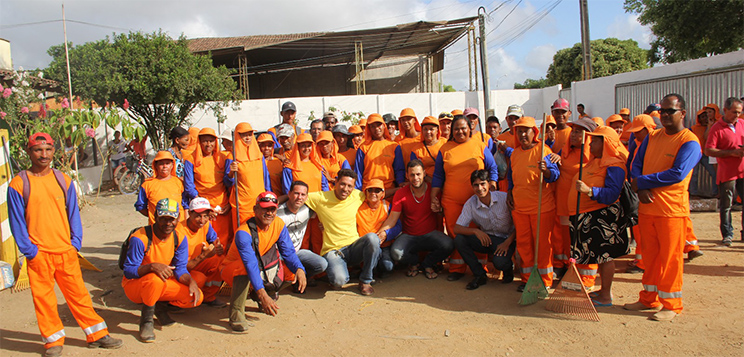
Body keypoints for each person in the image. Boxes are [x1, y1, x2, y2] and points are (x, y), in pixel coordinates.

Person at [8, 132, 123, 356]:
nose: (44, 154)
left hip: (65, 251)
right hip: (39, 253)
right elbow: (17, 221)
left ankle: (97, 335)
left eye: (48, 149)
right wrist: (29, 250)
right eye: (38, 150)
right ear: (28, 152)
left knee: (78, 294)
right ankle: (53, 341)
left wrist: (75, 243)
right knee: (44, 299)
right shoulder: (19, 183)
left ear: (54, 151)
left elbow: (73, 215)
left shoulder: (63, 180)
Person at [625, 93, 701, 321]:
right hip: (648, 209)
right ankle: (649, 298)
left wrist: (643, 183)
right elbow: (636, 164)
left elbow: (677, 173)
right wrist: (640, 186)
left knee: (670, 258)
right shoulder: (653, 137)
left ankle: (672, 304)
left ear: (683, 113)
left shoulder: (690, 142)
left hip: (671, 211)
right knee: (650, 257)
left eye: (671, 111)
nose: (666, 115)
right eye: (663, 111)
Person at [219, 191, 307, 331]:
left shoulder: (278, 224)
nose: (269, 213)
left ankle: (260, 294)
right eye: (265, 208)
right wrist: (262, 293)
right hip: (234, 269)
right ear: (255, 209)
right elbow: (249, 264)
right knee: (244, 266)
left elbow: (288, 252)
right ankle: (236, 314)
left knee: (292, 271)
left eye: (272, 209)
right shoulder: (244, 232)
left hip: (259, 265)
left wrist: (299, 269)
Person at [122, 198, 202, 342]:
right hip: (135, 286)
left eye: (171, 219)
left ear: (178, 218)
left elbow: (180, 269)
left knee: (195, 297)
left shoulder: (179, 238)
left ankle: (159, 307)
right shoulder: (140, 238)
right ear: (155, 217)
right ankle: (146, 322)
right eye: (163, 219)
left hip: (160, 282)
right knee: (154, 279)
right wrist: (152, 266)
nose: (168, 223)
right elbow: (128, 271)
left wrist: (191, 281)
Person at [568, 127, 632, 307]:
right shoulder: (597, 162)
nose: (590, 144)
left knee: (606, 256)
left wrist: (589, 191)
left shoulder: (614, 165)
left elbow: (612, 193)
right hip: (590, 217)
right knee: (599, 257)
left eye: (594, 141)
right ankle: (603, 291)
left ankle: (606, 295)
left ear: (606, 144)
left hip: (604, 217)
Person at [432, 116, 499, 281]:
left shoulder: (480, 145)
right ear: (451, 131)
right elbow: (438, 175)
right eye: (456, 129)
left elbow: (492, 168)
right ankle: (457, 268)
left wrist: (493, 184)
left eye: (463, 128)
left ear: (470, 128)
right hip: (451, 200)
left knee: (479, 234)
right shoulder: (445, 149)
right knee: (457, 233)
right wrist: (434, 195)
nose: (460, 131)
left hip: (477, 200)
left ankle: (480, 267)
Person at [304, 169, 381, 295]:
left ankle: (365, 280)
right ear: (335, 182)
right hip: (334, 251)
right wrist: (278, 202)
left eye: (350, 186)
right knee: (339, 281)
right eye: (342, 184)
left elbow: (376, 195)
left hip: (354, 247)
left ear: (354, 187)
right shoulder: (320, 198)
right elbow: (298, 196)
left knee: (373, 239)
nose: (346, 189)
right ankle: (340, 272)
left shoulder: (357, 195)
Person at [506, 116, 560, 291]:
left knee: (543, 245)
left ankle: (545, 280)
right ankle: (527, 279)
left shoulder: (543, 151)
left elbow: (555, 174)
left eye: (526, 131)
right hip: (519, 209)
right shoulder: (514, 154)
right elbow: (511, 178)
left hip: (541, 208)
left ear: (534, 133)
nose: (522, 134)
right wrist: (509, 193)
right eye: (519, 131)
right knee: (524, 245)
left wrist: (547, 171)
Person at [551, 117, 598, 287]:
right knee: (568, 240)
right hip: (565, 205)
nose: (574, 134)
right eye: (574, 130)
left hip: (585, 206)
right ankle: (570, 270)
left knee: (584, 241)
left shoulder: (594, 154)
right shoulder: (564, 151)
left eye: (579, 131)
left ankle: (586, 278)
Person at [453, 169, 516, 290]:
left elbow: (519, 225)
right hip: (487, 239)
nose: (480, 188)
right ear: (472, 186)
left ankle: (508, 269)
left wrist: (507, 243)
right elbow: (457, 228)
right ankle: (479, 275)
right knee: (459, 240)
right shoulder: (471, 203)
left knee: (500, 263)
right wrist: (476, 231)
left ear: (489, 184)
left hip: (507, 240)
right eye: (476, 185)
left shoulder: (504, 199)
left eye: (483, 184)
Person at [705, 97, 744, 246]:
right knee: (726, 205)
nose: (737, 115)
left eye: (739, 112)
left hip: (742, 170)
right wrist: (731, 153)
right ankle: (727, 234)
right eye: (734, 112)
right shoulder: (717, 127)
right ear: (725, 110)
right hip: (727, 172)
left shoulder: (742, 124)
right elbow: (708, 150)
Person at [184, 128, 232, 246]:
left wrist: (229, 204)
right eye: (205, 141)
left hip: (222, 207)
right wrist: (205, 208)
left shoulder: (223, 158)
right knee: (206, 241)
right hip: (202, 210)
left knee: (225, 239)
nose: (208, 144)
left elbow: (228, 183)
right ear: (199, 142)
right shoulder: (190, 159)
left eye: (211, 141)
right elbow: (189, 187)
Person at [276, 181, 327, 289]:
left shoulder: (307, 210)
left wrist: (323, 225)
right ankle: (279, 286)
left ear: (306, 197)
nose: (299, 197)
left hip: (297, 252)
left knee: (322, 264)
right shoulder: (277, 214)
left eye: (303, 194)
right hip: (279, 255)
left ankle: (299, 281)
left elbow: (325, 211)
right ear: (289, 194)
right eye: (296, 193)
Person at [624, 114, 658, 274]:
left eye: (639, 131)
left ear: (649, 129)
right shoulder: (640, 145)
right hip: (640, 191)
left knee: (646, 232)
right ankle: (641, 260)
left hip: (650, 194)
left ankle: (643, 262)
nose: (635, 135)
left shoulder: (655, 145)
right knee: (640, 230)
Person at [177, 197, 226, 307]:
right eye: (198, 216)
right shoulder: (179, 232)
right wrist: (204, 255)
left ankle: (208, 297)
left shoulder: (206, 225)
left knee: (219, 259)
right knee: (199, 279)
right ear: (190, 213)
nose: (202, 220)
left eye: (205, 216)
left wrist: (218, 248)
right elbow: (181, 267)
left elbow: (214, 240)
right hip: (181, 269)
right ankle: (172, 302)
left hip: (195, 263)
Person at [226, 122, 272, 229]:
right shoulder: (232, 156)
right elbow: (227, 182)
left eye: (249, 134)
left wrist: (268, 198)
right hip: (242, 206)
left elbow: (266, 180)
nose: (247, 137)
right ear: (238, 136)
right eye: (244, 135)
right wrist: (231, 173)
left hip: (260, 203)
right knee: (243, 234)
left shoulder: (259, 156)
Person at [356, 179, 402, 277]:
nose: (373, 193)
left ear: (383, 193)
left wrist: (386, 233)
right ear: (365, 192)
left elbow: (398, 226)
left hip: (383, 245)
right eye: (370, 190)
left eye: (377, 191)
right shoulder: (357, 207)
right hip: (364, 248)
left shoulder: (387, 206)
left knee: (387, 266)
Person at [354, 113, 404, 196]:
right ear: (369, 129)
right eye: (372, 126)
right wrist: (358, 193)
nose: (376, 128)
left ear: (384, 126)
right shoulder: (363, 148)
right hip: (369, 192)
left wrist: (400, 184)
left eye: (378, 125)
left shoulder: (394, 146)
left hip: (389, 191)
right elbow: (358, 172)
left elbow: (399, 170)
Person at [135, 150, 186, 225]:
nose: (164, 166)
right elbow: (140, 206)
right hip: (156, 229)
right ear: (155, 165)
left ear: (172, 165)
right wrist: (155, 217)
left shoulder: (179, 183)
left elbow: (185, 205)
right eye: (161, 164)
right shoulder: (147, 185)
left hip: (178, 227)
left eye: (167, 163)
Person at [689, 108, 718, 198]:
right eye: (703, 117)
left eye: (706, 116)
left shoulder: (712, 127)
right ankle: (693, 193)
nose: (705, 118)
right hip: (695, 154)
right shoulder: (693, 128)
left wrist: (709, 126)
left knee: (714, 173)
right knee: (694, 173)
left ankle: (715, 193)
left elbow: (707, 137)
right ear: (699, 118)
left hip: (706, 154)